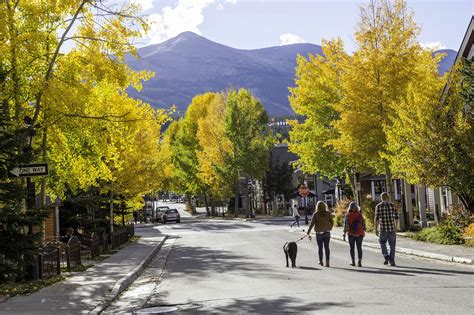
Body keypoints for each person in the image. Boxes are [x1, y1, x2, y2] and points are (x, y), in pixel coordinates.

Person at [374, 192, 399, 266]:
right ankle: (392, 260)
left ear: (381, 198)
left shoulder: (378, 206)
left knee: (382, 242)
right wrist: (396, 227)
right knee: (392, 245)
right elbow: (397, 217)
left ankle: (386, 255)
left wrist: (375, 228)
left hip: (383, 228)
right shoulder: (392, 205)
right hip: (392, 228)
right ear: (388, 197)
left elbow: (377, 218)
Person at [307, 201, 334, 267]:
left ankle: (321, 261)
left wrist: (308, 232)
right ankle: (327, 262)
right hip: (327, 232)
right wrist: (330, 227)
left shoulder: (315, 214)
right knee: (327, 247)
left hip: (319, 234)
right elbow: (332, 221)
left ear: (317, 206)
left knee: (320, 248)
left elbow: (311, 224)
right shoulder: (328, 213)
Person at [343, 201, 366, 267]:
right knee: (359, 248)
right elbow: (364, 226)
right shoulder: (360, 215)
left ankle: (353, 262)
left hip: (351, 233)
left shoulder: (347, 215)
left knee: (352, 248)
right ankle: (359, 262)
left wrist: (344, 234)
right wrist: (362, 230)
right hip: (360, 233)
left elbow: (346, 226)